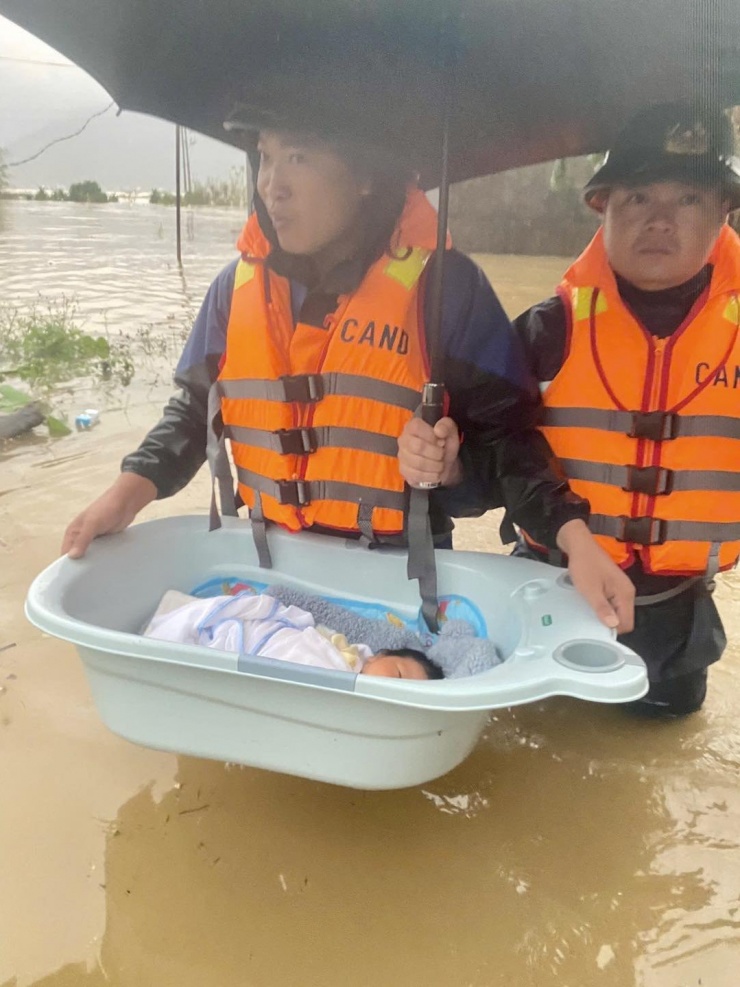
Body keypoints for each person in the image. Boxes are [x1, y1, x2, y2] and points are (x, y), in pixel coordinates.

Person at [62, 119, 633, 631]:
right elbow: (191, 415)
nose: (272, 185)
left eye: (300, 157)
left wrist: (457, 470)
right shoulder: (232, 290)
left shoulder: (447, 290)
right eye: (266, 157)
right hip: (264, 575)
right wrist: (123, 497)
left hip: (396, 590)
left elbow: (507, 450)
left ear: (363, 175)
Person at [401, 100, 740, 716]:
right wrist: (445, 468)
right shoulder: (541, 333)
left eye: (687, 199)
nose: (660, 220)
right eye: (638, 197)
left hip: (676, 632)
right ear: (601, 205)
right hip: (543, 599)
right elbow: (482, 482)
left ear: (724, 209)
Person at [143, 588, 443, 679]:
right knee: (218, 625)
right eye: (400, 675)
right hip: (259, 636)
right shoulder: (347, 654)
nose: (395, 685)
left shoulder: (349, 678)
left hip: (263, 658)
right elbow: (308, 635)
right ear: (380, 655)